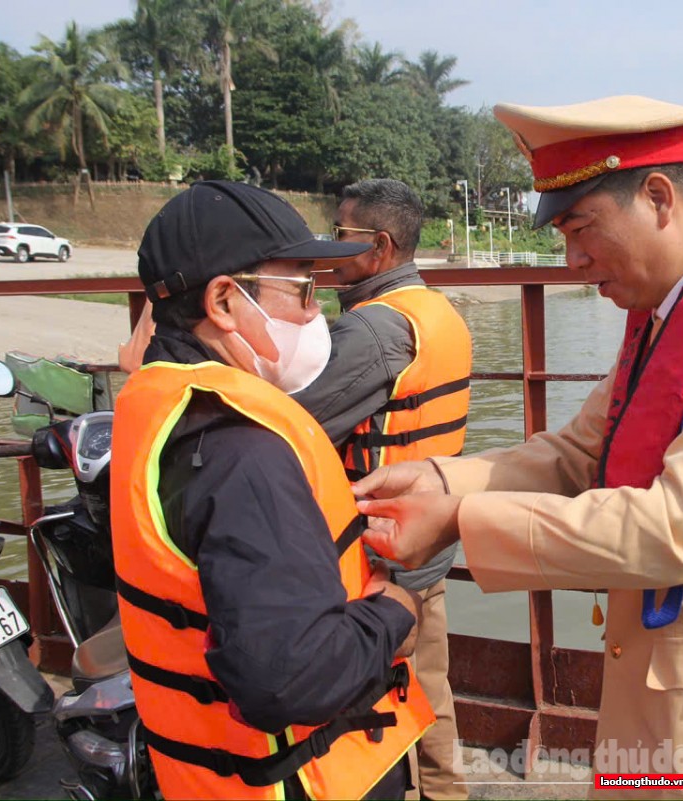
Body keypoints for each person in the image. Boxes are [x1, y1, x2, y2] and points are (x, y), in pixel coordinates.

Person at [352, 95, 683, 799]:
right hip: (645, 704)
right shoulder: (664, 316)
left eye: (580, 228)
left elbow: (678, 525)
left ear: (657, 197)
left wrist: (459, 521)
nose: (572, 261)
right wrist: (435, 479)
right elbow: (576, 455)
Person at [110, 180, 435, 801]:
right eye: (303, 290)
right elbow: (286, 680)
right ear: (226, 302)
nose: (318, 314)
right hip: (293, 783)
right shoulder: (245, 453)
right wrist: (396, 610)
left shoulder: (160, 403)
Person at [292, 178, 472, 801]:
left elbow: (291, 423)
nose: (328, 247)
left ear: (379, 246)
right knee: (430, 684)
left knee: (390, 693)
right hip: (429, 540)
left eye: (339, 235)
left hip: (375, 551)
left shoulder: (371, 332)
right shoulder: (436, 310)